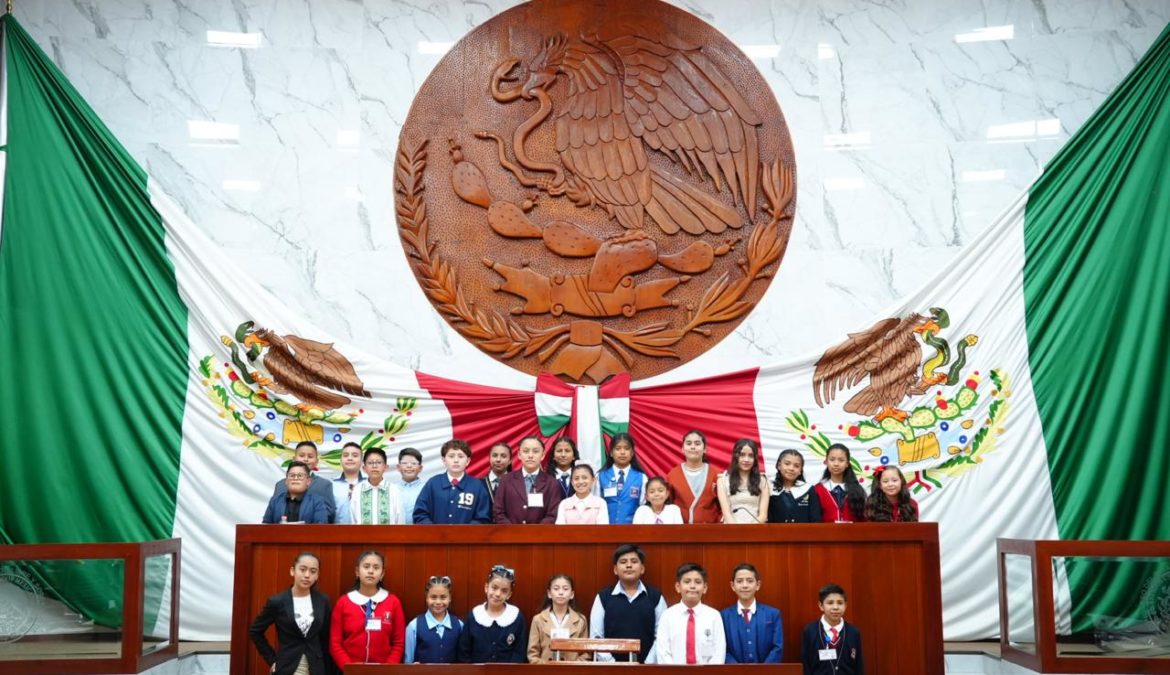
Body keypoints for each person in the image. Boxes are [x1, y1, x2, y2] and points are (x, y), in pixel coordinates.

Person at [249, 551, 333, 675]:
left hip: (316, 667)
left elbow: (326, 637)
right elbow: (255, 631)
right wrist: (272, 660)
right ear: (292, 571)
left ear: (317, 575)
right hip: (288, 666)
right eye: (303, 569)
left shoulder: (323, 601)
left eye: (313, 571)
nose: (307, 575)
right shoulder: (277, 602)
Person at [589, 544, 667, 663]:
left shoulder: (655, 597)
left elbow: (661, 637)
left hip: (647, 669)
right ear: (615, 569)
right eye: (623, 562)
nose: (629, 565)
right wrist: (613, 665)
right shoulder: (603, 597)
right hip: (609, 669)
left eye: (634, 561)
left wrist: (647, 665)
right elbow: (596, 638)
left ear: (642, 568)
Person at [330, 550, 405, 666]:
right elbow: (335, 643)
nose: (371, 571)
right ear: (357, 572)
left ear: (382, 574)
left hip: (384, 671)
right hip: (351, 670)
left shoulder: (393, 602)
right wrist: (350, 668)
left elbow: (399, 642)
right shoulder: (343, 602)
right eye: (366, 567)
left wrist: (388, 669)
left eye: (376, 568)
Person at [654, 562, 725, 664]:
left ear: (705, 588)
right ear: (678, 587)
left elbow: (719, 652)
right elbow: (663, 652)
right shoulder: (667, 616)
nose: (692, 586)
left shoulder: (714, 616)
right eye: (687, 582)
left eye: (697, 582)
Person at [457, 565, 526, 663]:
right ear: (486, 588)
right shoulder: (474, 615)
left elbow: (519, 652)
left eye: (504, 591)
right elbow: (464, 651)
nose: (498, 594)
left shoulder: (516, 617)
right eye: (494, 588)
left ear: (509, 594)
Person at [414, 440, 492, 524]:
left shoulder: (477, 486)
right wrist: (435, 533)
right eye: (451, 456)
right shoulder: (433, 483)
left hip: (467, 536)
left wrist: (464, 534)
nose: (456, 460)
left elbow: (483, 518)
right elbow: (420, 514)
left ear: (468, 461)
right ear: (444, 460)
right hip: (435, 536)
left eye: (460, 456)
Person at [720, 563, 783, 663]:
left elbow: (777, 647)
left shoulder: (773, 614)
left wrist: (763, 672)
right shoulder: (723, 616)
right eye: (739, 581)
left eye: (750, 581)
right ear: (733, 586)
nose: (745, 585)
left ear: (757, 585)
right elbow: (722, 649)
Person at [493, 436, 563, 524]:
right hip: (510, 535)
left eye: (535, 451)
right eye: (526, 451)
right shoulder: (506, 480)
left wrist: (535, 533)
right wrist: (511, 532)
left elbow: (552, 514)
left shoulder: (552, 483)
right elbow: (498, 511)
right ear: (519, 454)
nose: (530, 455)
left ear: (542, 455)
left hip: (540, 535)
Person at [801, 583, 864, 675]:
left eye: (840, 603)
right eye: (830, 603)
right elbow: (806, 665)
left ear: (845, 605)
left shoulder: (853, 632)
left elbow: (859, 666)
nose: (835, 607)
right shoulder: (810, 631)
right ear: (821, 606)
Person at [527, 574, 589, 662]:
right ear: (549, 593)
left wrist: (571, 668)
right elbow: (532, 654)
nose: (561, 592)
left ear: (572, 594)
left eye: (565, 589)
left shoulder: (581, 620)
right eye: (556, 589)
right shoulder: (538, 619)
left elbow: (585, 653)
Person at [271, 441, 337, 523]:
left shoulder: (324, 485)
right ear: (294, 459)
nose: (306, 459)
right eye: (302, 455)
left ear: (316, 461)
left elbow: (329, 514)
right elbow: (272, 512)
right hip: (281, 533)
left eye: (310, 456)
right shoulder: (280, 485)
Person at [404, 575, 463, 664]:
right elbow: (408, 662)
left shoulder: (459, 625)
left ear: (450, 598)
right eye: (433, 597)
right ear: (426, 597)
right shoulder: (413, 626)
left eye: (443, 597)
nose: (438, 602)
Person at [665, 430, 721, 524]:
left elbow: (723, 506)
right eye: (688, 443)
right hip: (680, 533)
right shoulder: (673, 475)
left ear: (705, 449)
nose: (693, 447)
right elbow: (667, 504)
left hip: (711, 532)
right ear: (682, 448)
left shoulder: (715, 474)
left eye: (697, 443)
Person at [596, 433, 647, 525]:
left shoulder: (642, 477)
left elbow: (644, 507)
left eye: (626, 449)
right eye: (618, 449)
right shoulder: (600, 476)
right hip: (605, 531)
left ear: (632, 453)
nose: (622, 452)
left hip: (634, 531)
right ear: (611, 452)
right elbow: (595, 505)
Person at [717, 439, 770, 524]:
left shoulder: (763, 481)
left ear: (755, 458)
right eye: (742, 455)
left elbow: (763, 515)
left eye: (750, 456)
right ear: (735, 456)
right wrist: (738, 532)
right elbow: (726, 513)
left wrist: (748, 531)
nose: (746, 459)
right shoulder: (722, 480)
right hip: (731, 530)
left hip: (756, 530)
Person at [349, 448, 404, 524]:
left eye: (378, 462)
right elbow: (353, 519)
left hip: (390, 535)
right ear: (364, 468)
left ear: (385, 467)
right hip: (361, 535)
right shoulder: (357, 490)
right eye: (370, 463)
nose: (374, 466)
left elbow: (400, 520)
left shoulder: (394, 490)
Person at [263, 462, 330, 524]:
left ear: (308, 481)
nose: (295, 478)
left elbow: (320, 527)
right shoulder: (275, 501)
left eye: (300, 475)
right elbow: (265, 526)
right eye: (292, 475)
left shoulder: (317, 501)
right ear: (286, 481)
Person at [814, 444, 866, 523]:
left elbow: (863, 519)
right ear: (826, 462)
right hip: (826, 534)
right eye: (832, 459)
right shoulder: (817, 490)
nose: (836, 464)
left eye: (841, 460)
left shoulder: (857, 489)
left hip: (853, 534)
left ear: (847, 464)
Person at [768, 449, 822, 523]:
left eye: (796, 466)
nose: (791, 468)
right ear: (779, 466)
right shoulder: (768, 487)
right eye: (787, 464)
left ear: (800, 470)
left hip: (803, 533)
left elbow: (815, 520)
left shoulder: (808, 489)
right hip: (774, 534)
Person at [332, 442, 364, 524]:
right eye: (346, 455)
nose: (350, 458)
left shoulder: (369, 483)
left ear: (362, 461)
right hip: (337, 533)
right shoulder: (331, 485)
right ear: (340, 460)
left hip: (366, 533)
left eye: (355, 455)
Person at [396, 447, 425, 523]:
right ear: (398, 467)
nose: (409, 466)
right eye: (404, 463)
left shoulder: (427, 489)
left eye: (413, 463)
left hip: (420, 532)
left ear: (420, 468)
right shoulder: (392, 489)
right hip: (395, 532)